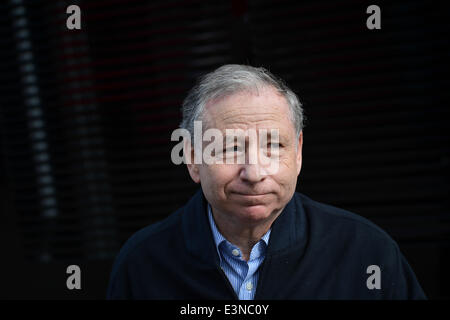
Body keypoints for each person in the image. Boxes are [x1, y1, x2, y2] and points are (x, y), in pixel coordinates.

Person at [106, 64, 426, 299]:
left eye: (273, 147)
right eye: (230, 148)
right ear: (192, 159)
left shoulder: (365, 252)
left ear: (298, 152)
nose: (254, 173)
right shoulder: (143, 264)